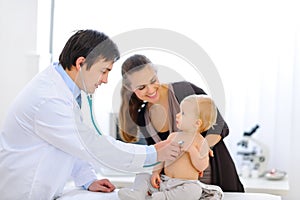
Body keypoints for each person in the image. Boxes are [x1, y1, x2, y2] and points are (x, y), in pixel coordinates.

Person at [0, 30, 181, 200]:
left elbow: (69, 144)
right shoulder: (49, 99)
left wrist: (87, 178)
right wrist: (154, 153)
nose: (105, 80)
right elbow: (89, 145)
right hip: (25, 192)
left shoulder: (64, 90)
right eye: (104, 71)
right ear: (81, 63)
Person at [119, 54, 244, 192]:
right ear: (130, 88)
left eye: (153, 80)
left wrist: (199, 150)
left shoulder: (184, 91)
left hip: (216, 180)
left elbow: (221, 126)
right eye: (141, 87)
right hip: (179, 189)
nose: (150, 90)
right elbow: (159, 154)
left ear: (156, 74)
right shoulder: (143, 118)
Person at [118, 94, 224, 200]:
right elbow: (163, 156)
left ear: (197, 123)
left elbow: (201, 166)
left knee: (194, 191)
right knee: (143, 176)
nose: (177, 115)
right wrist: (156, 172)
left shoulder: (201, 142)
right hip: (164, 181)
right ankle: (137, 194)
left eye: (183, 113)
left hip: (184, 184)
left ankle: (163, 197)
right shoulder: (173, 136)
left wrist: (192, 151)